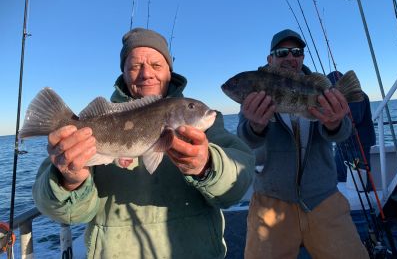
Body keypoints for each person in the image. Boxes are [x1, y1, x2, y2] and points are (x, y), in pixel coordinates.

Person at [32, 27, 255, 258]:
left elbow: (237, 186)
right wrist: (69, 181)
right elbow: (63, 212)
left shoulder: (211, 125)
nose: (146, 74)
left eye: (156, 65)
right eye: (135, 66)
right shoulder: (89, 128)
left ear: (170, 70)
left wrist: (207, 165)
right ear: (124, 74)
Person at [237, 29, 369, 258]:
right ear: (270, 59)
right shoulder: (257, 91)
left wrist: (335, 123)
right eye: (282, 52)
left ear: (302, 57)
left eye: (296, 52)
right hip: (270, 201)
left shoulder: (321, 88)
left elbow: (343, 133)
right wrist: (255, 126)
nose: (290, 57)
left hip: (323, 198)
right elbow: (244, 140)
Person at [327, 71, 376, 190]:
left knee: (360, 179)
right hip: (342, 144)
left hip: (358, 146)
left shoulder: (357, 95)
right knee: (339, 175)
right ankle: (345, 200)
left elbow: (355, 117)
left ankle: (365, 194)